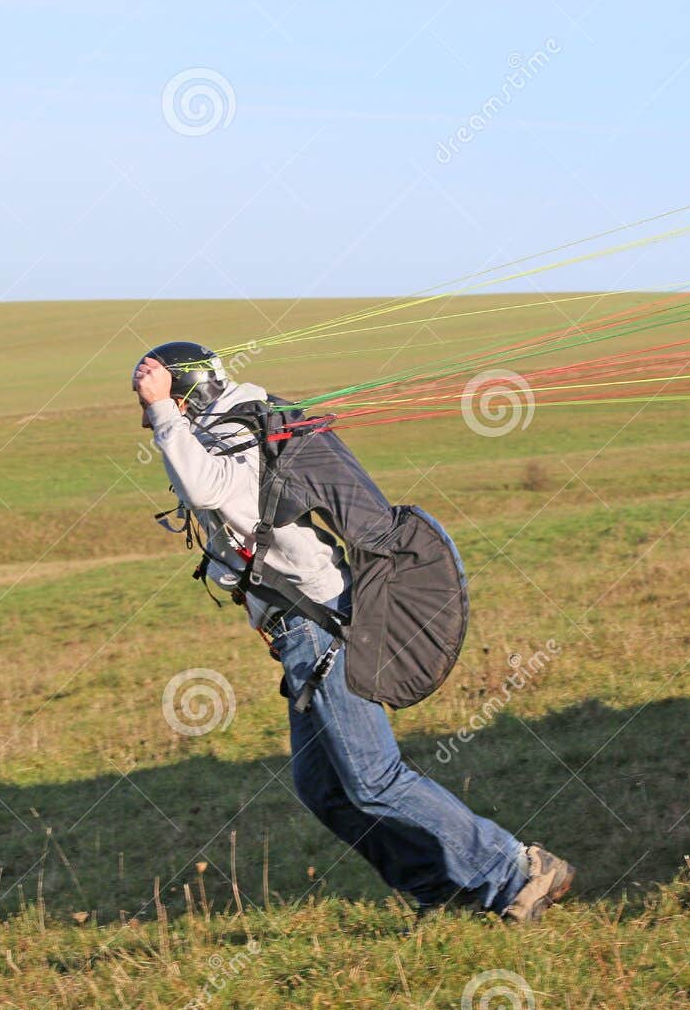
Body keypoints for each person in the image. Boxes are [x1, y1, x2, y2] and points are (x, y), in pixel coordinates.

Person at [134, 341, 575, 922]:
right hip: (298, 634)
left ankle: (516, 869)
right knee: (327, 792)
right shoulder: (229, 432)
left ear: (186, 393)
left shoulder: (240, 435)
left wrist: (163, 409)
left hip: (320, 626)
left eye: (162, 402)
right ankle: (437, 890)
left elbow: (208, 489)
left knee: (373, 780)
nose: (151, 415)